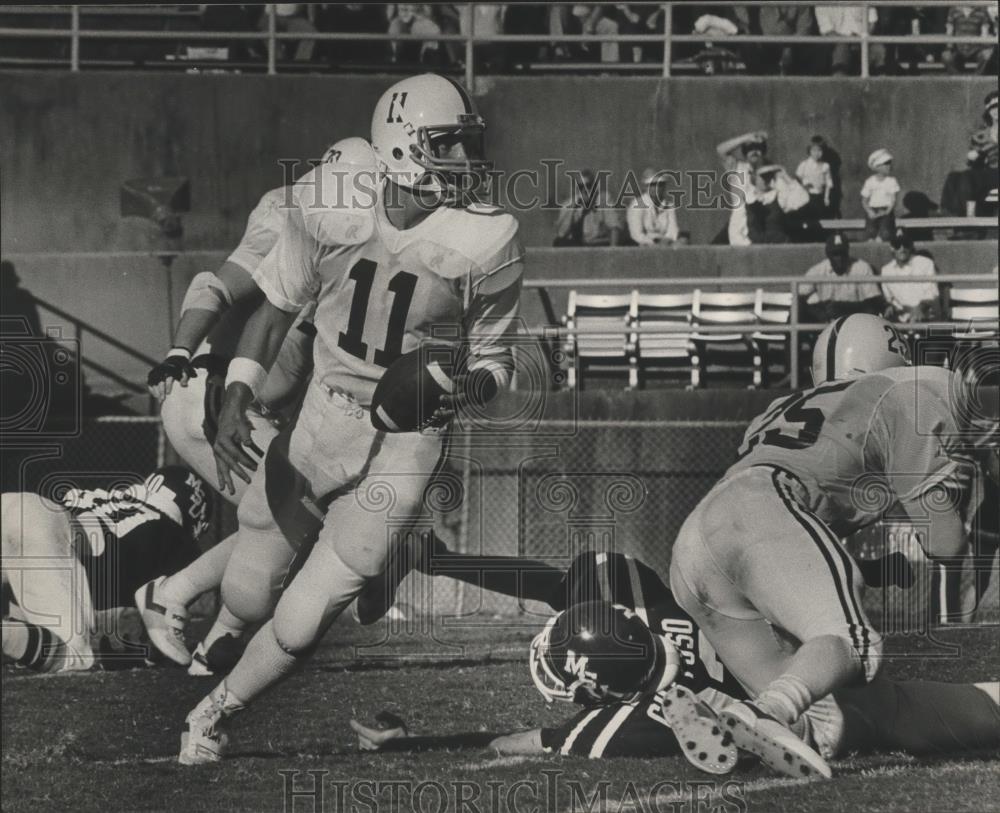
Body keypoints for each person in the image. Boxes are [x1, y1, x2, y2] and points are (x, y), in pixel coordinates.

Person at [179, 73, 525, 765]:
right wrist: (240, 394)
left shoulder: (487, 237)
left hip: (408, 437)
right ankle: (212, 625)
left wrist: (454, 386)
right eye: (444, 144)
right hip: (323, 412)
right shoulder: (332, 200)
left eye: (465, 144)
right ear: (398, 145)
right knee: (251, 578)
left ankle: (212, 712)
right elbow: (277, 304)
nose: (462, 160)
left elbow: (496, 362)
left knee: (310, 612)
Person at [668, 313, 997, 779]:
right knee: (853, 643)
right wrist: (953, 492)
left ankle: (728, 711)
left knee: (841, 717)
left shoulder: (786, 406)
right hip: (766, 507)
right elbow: (943, 545)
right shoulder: (911, 391)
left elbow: (798, 546)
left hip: (698, 542)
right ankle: (769, 710)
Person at [350, 556, 1000, 774]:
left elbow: (518, 742)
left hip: (816, 723)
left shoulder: (629, 717)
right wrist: (438, 558)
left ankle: (778, 731)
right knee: (963, 708)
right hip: (809, 663)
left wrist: (418, 739)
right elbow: (556, 582)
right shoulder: (645, 603)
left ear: (600, 683)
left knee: (869, 726)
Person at [137, 138, 378, 676]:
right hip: (216, 396)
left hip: (256, 409)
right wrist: (179, 350)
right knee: (288, 516)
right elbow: (216, 285)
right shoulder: (294, 211)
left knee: (290, 522)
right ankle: (174, 597)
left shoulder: (369, 230)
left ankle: (213, 647)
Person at [2, 467, 211, 673]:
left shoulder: (112, 499)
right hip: (36, 523)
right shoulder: (175, 536)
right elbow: (160, 623)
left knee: (27, 636)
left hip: (15, 505)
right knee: (72, 655)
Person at [799, 233, 885, 323]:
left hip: (856, 321)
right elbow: (799, 298)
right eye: (835, 254)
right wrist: (819, 312)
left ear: (847, 252)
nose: (839, 258)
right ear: (828, 255)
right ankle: (789, 336)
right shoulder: (818, 270)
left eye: (842, 253)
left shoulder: (861, 267)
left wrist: (841, 307)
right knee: (799, 310)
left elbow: (873, 303)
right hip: (828, 324)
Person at [716, 131, 769, 246]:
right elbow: (720, 150)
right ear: (745, 151)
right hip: (739, 226)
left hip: (760, 226)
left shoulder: (768, 171)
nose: (754, 152)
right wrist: (746, 138)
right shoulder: (737, 167)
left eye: (758, 148)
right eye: (750, 148)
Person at [880, 229, 942, 323]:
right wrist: (890, 307)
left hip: (925, 317)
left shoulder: (925, 263)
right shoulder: (886, 270)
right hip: (901, 318)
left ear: (911, 245)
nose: (902, 248)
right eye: (897, 245)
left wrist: (919, 308)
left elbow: (932, 292)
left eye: (905, 244)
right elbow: (889, 298)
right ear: (891, 248)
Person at [553, 169, 624, 247]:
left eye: (588, 186)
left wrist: (612, 251)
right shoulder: (569, 204)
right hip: (579, 244)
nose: (585, 190)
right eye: (581, 187)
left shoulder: (604, 199)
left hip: (597, 243)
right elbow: (561, 233)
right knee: (558, 242)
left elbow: (614, 227)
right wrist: (572, 211)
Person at [626, 168, 680, 246]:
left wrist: (666, 241)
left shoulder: (669, 205)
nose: (657, 188)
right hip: (644, 244)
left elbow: (673, 230)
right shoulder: (637, 204)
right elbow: (636, 234)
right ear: (645, 187)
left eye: (660, 184)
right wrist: (653, 244)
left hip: (665, 243)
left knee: (680, 243)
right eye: (653, 185)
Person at [941, 5, 995, 74]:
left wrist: (985, 47)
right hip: (958, 49)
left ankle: (976, 79)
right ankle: (958, 79)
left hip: (976, 49)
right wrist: (949, 48)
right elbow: (949, 31)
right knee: (946, 56)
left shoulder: (982, 10)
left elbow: (985, 32)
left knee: (987, 55)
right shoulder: (953, 9)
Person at [861, 149, 900, 242]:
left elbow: (893, 200)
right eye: (885, 164)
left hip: (885, 211)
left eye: (889, 163)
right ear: (877, 166)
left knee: (885, 233)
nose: (889, 166)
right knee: (870, 233)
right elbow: (864, 200)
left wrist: (887, 212)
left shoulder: (891, 181)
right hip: (873, 211)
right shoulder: (870, 181)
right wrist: (869, 211)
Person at [796, 136, 833, 218]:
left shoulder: (825, 166)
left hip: (819, 198)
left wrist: (826, 198)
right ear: (809, 151)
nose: (816, 153)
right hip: (806, 197)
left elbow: (828, 183)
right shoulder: (804, 165)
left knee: (819, 220)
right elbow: (797, 180)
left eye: (819, 150)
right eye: (814, 150)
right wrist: (804, 185)